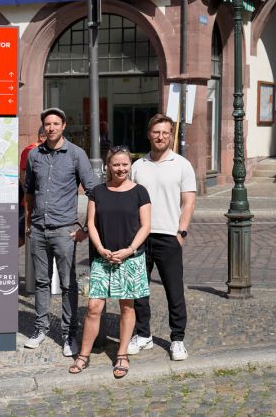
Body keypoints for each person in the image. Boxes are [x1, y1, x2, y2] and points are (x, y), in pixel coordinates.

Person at [68, 146, 151, 378]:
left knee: (127, 306)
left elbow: (146, 226)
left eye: (125, 164)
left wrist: (129, 250)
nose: (121, 168)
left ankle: (122, 354)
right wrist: (100, 249)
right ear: (108, 166)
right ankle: (83, 355)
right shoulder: (98, 192)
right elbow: (91, 224)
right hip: (102, 258)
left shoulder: (140, 192)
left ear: (130, 165)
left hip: (130, 259)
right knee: (93, 307)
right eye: (116, 164)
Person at [24, 107, 99, 356]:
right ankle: (40, 328)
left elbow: (93, 191)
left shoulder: (76, 154)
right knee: (41, 282)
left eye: (56, 123)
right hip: (38, 229)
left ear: (63, 126)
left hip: (64, 231)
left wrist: (86, 227)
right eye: (48, 124)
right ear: (43, 127)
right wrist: (28, 223)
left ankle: (69, 334)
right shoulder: (34, 155)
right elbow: (29, 191)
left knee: (68, 284)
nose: (51, 128)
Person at [128, 114, 196, 361]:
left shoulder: (182, 165)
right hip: (140, 237)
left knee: (174, 291)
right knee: (139, 290)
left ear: (171, 135)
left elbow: (188, 202)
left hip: (169, 236)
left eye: (165, 132)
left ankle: (177, 339)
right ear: (149, 134)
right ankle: (143, 334)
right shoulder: (138, 166)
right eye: (156, 132)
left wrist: (181, 232)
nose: (160, 136)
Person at [19, 126, 46, 245]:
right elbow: (24, 176)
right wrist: (29, 193)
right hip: (29, 201)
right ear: (42, 137)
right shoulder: (30, 150)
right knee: (22, 236)